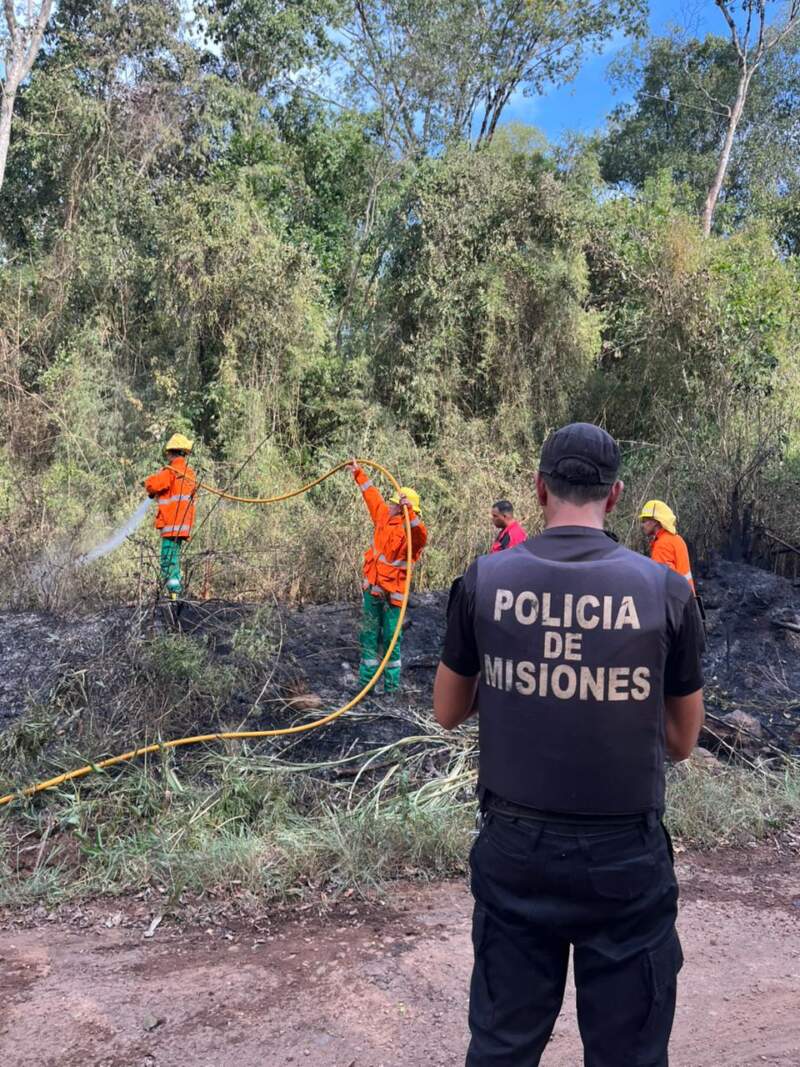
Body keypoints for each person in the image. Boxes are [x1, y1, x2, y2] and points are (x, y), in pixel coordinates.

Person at [433, 422, 705, 1067]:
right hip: (624, 862)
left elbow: (448, 711)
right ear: (614, 497)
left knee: (502, 1046)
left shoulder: (484, 579)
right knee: (629, 1053)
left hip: (515, 850)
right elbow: (682, 739)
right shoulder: (665, 590)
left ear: (537, 490)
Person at [347, 461, 427, 693]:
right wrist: (358, 474)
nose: (390, 506)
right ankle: (366, 685)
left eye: (394, 503)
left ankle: (391, 689)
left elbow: (420, 534)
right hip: (373, 590)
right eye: (392, 503)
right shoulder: (384, 517)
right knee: (369, 635)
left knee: (392, 639)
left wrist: (409, 512)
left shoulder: (412, 533)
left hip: (394, 597)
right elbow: (371, 495)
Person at [144, 434, 197, 598]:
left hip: (171, 525)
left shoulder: (170, 471)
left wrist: (148, 483)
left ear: (170, 453)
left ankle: (174, 595)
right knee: (174, 560)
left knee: (168, 561)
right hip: (183, 526)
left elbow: (153, 484)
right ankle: (175, 593)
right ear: (184, 453)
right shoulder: (189, 473)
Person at [640, 499, 695, 592]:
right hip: (687, 600)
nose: (642, 525)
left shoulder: (662, 545)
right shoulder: (676, 539)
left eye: (644, 520)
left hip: (676, 603)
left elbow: (664, 584)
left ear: (655, 522)